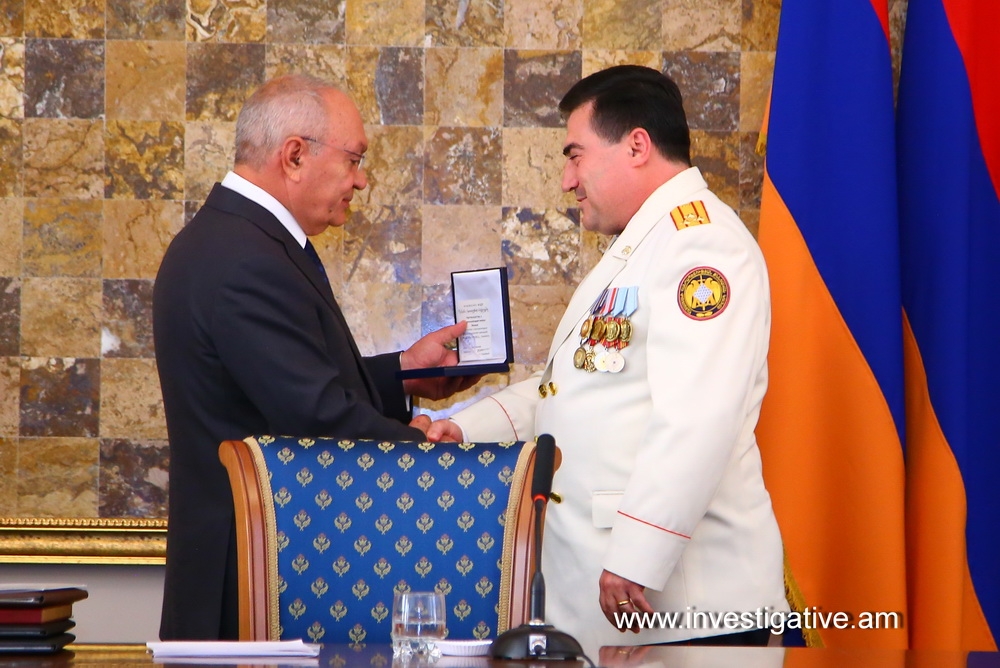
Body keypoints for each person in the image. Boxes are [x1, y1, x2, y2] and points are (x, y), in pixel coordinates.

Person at [427, 65, 787, 649]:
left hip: (687, 608)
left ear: (637, 146)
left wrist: (638, 556)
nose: (567, 180)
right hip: (616, 604)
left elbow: (699, 416)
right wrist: (465, 428)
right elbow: (570, 385)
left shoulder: (702, 244)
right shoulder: (642, 246)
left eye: (576, 155)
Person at [153, 74, 477, 640]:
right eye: (354, 159)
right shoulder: (244, 258)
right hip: (253, 583)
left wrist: (403, 375)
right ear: (295, 156)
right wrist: (425, 450)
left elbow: (283, 384)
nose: (362, 180)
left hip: (257, 568)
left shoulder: (237, 239)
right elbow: (315, 416)